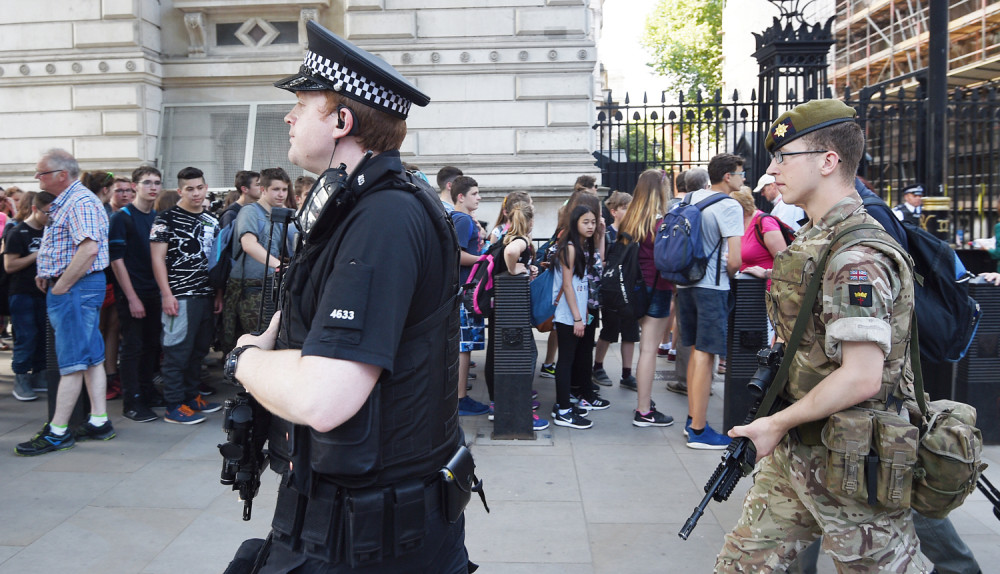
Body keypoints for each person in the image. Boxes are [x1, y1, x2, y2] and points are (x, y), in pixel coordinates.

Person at [225, 21, 472, 572]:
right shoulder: (359, 205)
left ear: (342, 121)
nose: (288, 117)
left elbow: (325, 399)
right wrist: (278, 334)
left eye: (303, 103)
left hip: (369, 536)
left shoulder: (382, 216)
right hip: (348, 516)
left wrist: (245, 359)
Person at [716, 99, 929, 572]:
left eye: (783, 158)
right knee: (741, 563)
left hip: (854, 462)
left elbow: (862, 377)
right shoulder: (816, 237)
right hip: (800, 447)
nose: (771, 171)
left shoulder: (857, 255)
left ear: (828, 161)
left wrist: (776, 423)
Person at [15, 149, 115, 456]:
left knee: (71, 360)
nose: (37, 177)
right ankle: (99, 421)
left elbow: (88, 249)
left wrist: (62, 285)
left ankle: (58, 431)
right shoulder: (75, 200)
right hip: (78, 286)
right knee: (90, 356)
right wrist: (49, 272)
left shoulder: (78, 201)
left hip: (75, 289)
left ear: (61, 175)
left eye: (42, 172)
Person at [676, 157, 743, 449]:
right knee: (707, 355)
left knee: (694, 352)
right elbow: (736, 259)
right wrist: (729, 272)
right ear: (727, 177)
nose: (742, 178)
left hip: (685, 284)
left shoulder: (688, 198)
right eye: (740, 174)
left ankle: (693, 419)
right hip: (712, 287)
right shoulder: (729, 205)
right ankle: (699, 431)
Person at [149, 166, 222, 425]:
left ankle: (192, 397)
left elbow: (216, 260)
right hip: (179, 296)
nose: (196, 193)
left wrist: (217, 293)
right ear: (180, 190)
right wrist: (166, 294)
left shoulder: (211, 220)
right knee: (176, 351)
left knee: (198, 350)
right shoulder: (165, 219)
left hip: (205, 294)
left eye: (200, 187)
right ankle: (173, 405)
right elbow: (157, 259)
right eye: (189, 189)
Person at [613, 170, 675, 427]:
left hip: (632, 290)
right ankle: (644, 410)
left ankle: (645, 402)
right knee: (649, 350)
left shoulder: (629, 222)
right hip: (657, 288)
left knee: (645, 349)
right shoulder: (661, 223)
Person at [108, 166, 163, 422]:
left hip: (154, 292)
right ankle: (132, 401)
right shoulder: (122, 217)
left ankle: (148, 392)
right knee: (133, 347)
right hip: (132, 292)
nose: (153, 187)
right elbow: (116, 261)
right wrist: (131, 297)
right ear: (135, 186)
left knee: (152, 345)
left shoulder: (157, 217)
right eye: (147, 182)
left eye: (157, 182)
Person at [222, 167, 291, 349]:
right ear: (263, 189)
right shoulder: (250, 212)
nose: (281, 194)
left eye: (284, 190)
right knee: (253, 343)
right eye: (276, 189)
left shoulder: (277, 214)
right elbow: (249, 244)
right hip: (249, 288)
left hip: (267, 287)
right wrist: (278, 265)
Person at [551, 204, 605, 429]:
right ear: (575, 223)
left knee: (569, 358)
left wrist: (582, 314)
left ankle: (564, 405)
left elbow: (579, 284)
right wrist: (577, 318)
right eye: (586, 222)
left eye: (593, 222)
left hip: (574, 312)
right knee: (565, 360)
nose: (591, 226)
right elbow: (567, 285)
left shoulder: (581, 246)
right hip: (566, 314)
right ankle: (563, 410)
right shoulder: (570, 248)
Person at [449, 175, 491, 416]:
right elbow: (457, 254)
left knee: (463, 346)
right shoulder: (463, 219)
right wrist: (485, 258)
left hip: (462, 289)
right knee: (464, 347)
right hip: (467, 290)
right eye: (475, 193)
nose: (479, 197)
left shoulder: (459, 218)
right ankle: (460, 398)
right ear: (461, 197)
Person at [5, 192, 52, 401]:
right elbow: (9, 265)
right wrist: (36, 254)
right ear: (35, 209)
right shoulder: (17, 232)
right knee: (26, 335)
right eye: (47, 213)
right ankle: (21, 377)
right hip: (22, 292)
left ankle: (39, 373)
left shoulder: (50, 231)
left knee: (43, 334)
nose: (50, 217)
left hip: (44, 292)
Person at [593, 191, 639, 388]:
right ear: (614, 211)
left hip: (630, 290)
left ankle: (627, 373)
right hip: (612, 290)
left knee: (630, 332)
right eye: (625, 208)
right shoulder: (609, 234)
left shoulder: (635, 234)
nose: (629, 212)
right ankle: (598, 366)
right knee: (610, 330)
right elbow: (602, 261)